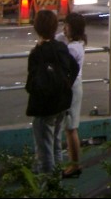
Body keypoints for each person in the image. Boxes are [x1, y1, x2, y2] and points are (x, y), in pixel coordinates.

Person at [25, 10, 77, 175]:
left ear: (37, 28)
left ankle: (48, 185)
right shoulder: (61, 47)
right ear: (55, 27)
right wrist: (66, 84)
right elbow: (74, 67)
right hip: (62, 103)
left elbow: (33, 81)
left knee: (44, 149)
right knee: (55, 143)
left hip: (44, 106)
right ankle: (57, 182)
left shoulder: (37, 53)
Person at [56, 12, 87, 178]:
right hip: (73, 86)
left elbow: (61, 59)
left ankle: (75, 165)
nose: (63, 29)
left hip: (72, 88)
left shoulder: (74, 48)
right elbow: (57, 38)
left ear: (72, 28)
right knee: (69, 127)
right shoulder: (75, 43)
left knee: (71, 128)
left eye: (66, 26)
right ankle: (74, 163)